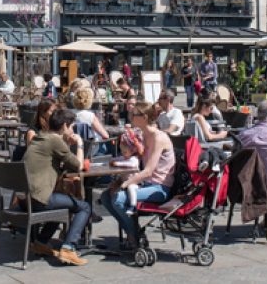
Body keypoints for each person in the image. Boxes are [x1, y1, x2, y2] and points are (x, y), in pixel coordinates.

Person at [101, 102, 175, 246]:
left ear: (145, 117)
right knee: (105, 196)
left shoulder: (158, 138)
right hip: (146, 183)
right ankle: (133, 232)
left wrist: (126, 184)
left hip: (160, 187)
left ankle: (134, 236)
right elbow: (135, 162)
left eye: (133, 115)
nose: (130, 117)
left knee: (117, 198)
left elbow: (148, 170)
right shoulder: (143, 135)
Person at [23, 109, 90, 265]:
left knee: (63, 203)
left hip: (25, 198)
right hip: (38, 199)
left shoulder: (42, 136)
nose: (73, 131)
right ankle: (68, 248)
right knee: (84, 207)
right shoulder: (55, 141)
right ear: (65, 126)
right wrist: (79, 144)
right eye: (72, 127)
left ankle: (40, 242)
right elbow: (78, 165)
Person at [110, 130, 144, 215]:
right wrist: (112, 160)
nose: (123, 153)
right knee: (113, 186)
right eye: (121, 151)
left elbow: (131, 165)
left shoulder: (134, 159)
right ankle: (108, 199)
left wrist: (117, 163)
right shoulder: (125, 157)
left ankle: (133, 206)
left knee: (131, 187)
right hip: (125, 181)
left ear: (132, 150)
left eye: (125, 152)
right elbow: (118, 158)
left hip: (136, 183)